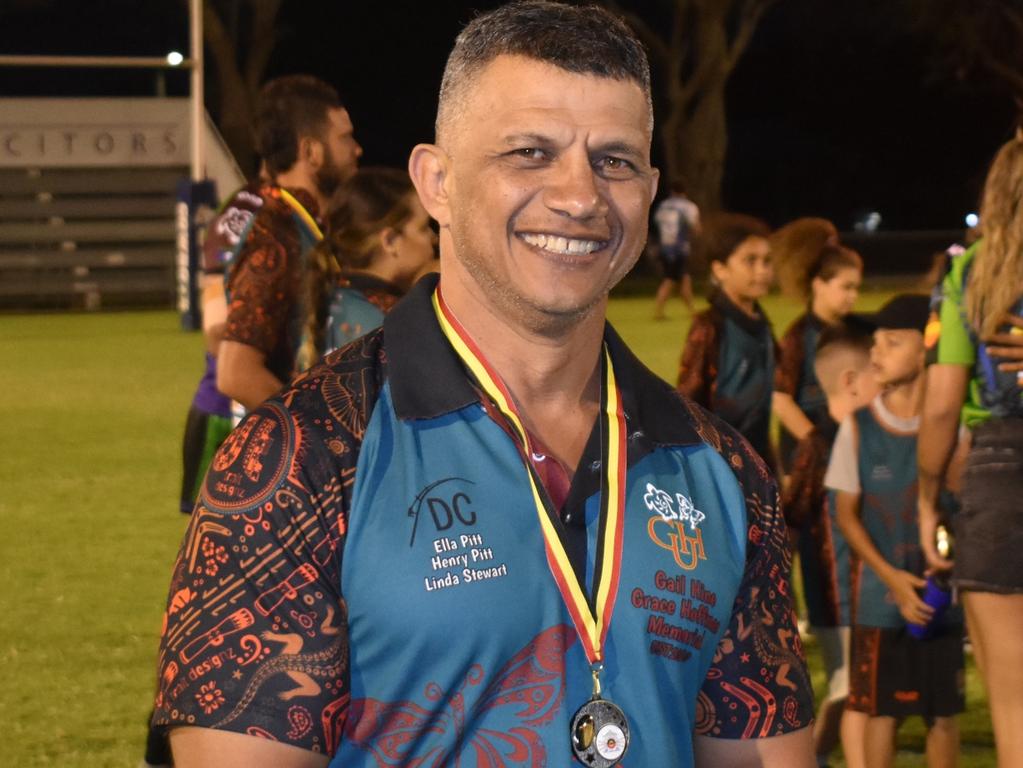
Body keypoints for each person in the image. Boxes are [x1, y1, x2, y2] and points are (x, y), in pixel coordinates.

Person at [151, 3, 815, 766]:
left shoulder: (723, 472)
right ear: (436, 182)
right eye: (530, 152)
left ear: (650, 189)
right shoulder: (299, 458)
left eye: (616, 160)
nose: (580, 196)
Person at [918, 134, 1023, 768]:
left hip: (997, 479)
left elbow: (939, 406)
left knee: (1013, 712)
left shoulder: (967, 275)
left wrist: (928, 497)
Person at [826, 295, 964, 768]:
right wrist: (892, 580)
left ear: (926, 348)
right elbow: (846, 515)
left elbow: (961, 510)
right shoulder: (860, 428)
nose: (877, 353)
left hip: (938, 598)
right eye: (875, 343)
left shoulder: (954, 429)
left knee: (941, 714)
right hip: (879, 601)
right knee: (881, 713)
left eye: (892, 342)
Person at [217, 74, 362, 412]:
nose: (357, 149)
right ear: (310, 151)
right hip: (287, 455)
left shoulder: (305, 224)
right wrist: (320, 433)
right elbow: (236, 373)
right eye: (345, 138)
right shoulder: (274, 233)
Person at [783, 321, 878, 768]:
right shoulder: (817, 446)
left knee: (863, 686)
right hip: (833, 594)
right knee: (846, 685)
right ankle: (815, 756)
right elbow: (790, 519)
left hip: (872, 590)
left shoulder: (873, 437)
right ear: (851, 382)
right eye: (876, 369)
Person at [297, 166, 438, 370]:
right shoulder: (394, 323)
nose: (433, 238)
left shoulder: (326, 302)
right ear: (390, 241)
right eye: (423, 228)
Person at [676, 213, 778, 467]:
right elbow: (688, 404)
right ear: (720, 269)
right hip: (719, 463)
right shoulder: (710, 326)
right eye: (750, 261)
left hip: (757, 460)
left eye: (767, 261)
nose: (762, 271)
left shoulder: (762, 325)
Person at [772, 219, 863, 471]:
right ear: (819, 285)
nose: (853, 296)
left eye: (856, 288)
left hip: (848, 449)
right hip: (805, 456)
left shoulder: (855, 331)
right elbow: (781, 400)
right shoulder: (798, 336)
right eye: (846, 287)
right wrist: (818, 445)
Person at [652, 177, 700, 319]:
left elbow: (657, 224)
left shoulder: (663, 206)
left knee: (685, 278)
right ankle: (658, 312)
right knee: (670, 279)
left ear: (672, 191)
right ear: (685, 192)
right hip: (679, 249)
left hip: (665, 247)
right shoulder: (688, 207)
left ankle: (692, 311)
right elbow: (695, 227)